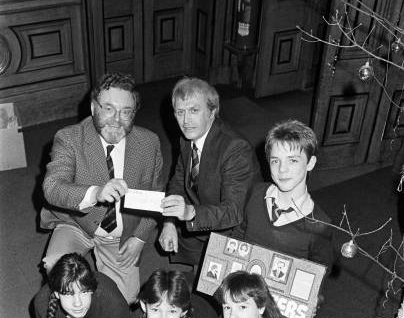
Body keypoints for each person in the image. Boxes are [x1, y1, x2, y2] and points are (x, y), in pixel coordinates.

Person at [40, 72, 163, 304]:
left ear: (134, 113)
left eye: (126, 112)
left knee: (124, 301)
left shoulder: (149, 143)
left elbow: (155, 196)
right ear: (93, 107)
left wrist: (139, 237)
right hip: (76, 222)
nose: (116, 120)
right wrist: (95, 193)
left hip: (120, 233)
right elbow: (53, 186)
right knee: (57, 269)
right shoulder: (69, 138)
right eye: (108, 108)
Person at [159, 76, 260, 269]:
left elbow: (233, 212)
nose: (186, 121)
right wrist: (169, 222)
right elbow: (178, 182)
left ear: (212, 112)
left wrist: (190, 212)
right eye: (180, 112)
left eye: (194, 111)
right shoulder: (187, 139)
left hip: (234, 231)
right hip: (201, 215)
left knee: (222, 291)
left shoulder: (235, 148)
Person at [238, 119, 335, 271]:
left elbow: (318, 275)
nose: (282, 169)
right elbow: (239, 232)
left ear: (310, 163)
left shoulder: (320, 225)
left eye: (293, 160)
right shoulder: (254, 193)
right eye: (275, 161)